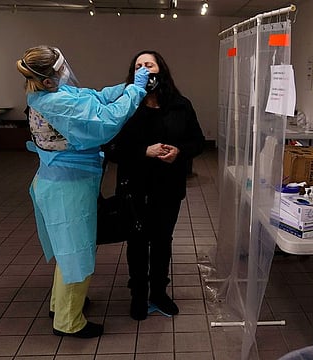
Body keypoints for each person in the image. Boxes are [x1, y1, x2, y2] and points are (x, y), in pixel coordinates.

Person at [16, 45, 149, 338]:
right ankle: (68, 322)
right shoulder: (56, 102)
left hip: (58, 181)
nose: (67, 71)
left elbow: (93, 98)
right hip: (67, 187)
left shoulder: (43, 94)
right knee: (76, 252)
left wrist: (124, 87)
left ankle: (60, 304)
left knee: (67, 250)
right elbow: (105, 121)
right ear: (49, 78)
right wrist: (136, 92)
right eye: (62, 69)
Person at [105, 50, 205, 320]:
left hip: (168, 188)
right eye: (139, 66)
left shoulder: (180, 105)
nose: (145, 70)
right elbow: (110, 147)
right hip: (134, 187)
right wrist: (143, 152)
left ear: (162, 69)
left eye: (150, 64)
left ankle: (159, 292)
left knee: (162, 241)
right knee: (137, 242)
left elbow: (198, 141)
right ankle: (138, 294)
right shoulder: (124, 106)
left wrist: (179, 152)